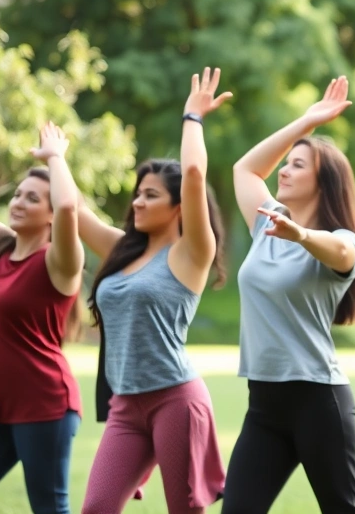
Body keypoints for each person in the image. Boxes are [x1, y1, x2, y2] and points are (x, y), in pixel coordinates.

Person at [78, 67, 231, 514]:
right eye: (136, 195)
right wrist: (54, 157)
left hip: (175, 400)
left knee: (184, 509)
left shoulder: (191, 253)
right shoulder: (122, 250)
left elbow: (196, 176)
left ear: (178, 206)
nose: (137, 203)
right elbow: (72, 208)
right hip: (126, 403)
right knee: (97, 507)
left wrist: (193, 117)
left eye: (149, 195)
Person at [221, 75, 355, 514]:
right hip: (263, 403)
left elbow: (342, 251)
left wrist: (301, 234)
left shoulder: (340, 240)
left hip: (317, 402)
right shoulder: (266, 225)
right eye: (286, 163)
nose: (283, 170)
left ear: (324, 182)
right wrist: (305, 122)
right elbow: (245, 169)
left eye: (298, 165)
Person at [0, 123, 84, 514]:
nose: (18, 202)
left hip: (44, 405)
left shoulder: (60, 263)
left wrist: (55, 155)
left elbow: (70, 206)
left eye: (33, 199)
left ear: (52, 215)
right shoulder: (0, 247)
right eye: (17, 195)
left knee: (49, 508)